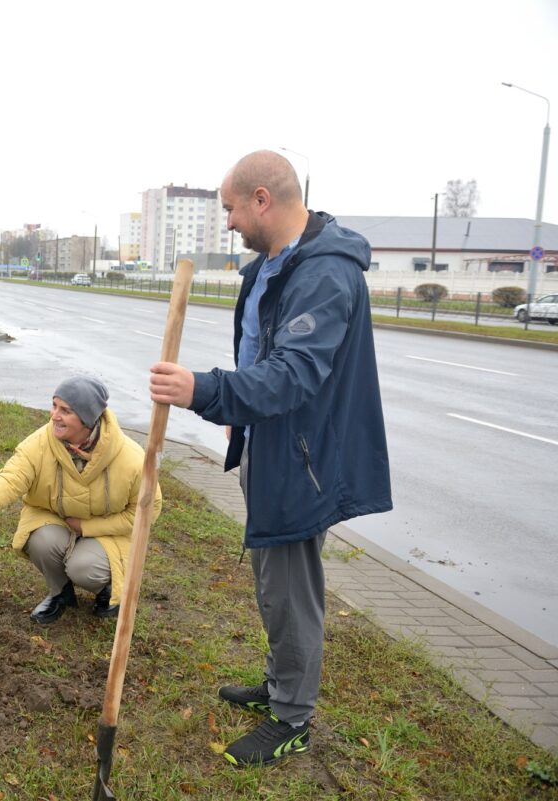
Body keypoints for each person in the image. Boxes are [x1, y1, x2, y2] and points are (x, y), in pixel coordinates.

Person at [149, 150, 392, 768]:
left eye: (230, 207)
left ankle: (291, 718)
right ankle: (280, 680)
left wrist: (205, 390)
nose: (227, 221)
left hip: (301, 456)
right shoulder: (274, 266)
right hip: (268, 445)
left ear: (263, 198)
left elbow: (293, 375)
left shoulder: (325, 273)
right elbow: (262, 354)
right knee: (270, 578)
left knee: (292, 588)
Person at [0, 376, 152, 624]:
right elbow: (8, 480)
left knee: (82, 568)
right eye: (54, 406)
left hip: (107, 531)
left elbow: (146, 511)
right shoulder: (40, 444)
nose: (54, 415)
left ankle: (107, 588)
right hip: (57, 519)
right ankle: (60, 593)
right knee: (40, 539)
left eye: (65, 410)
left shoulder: (131, 458)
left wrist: (88, 528)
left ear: (86, 418)